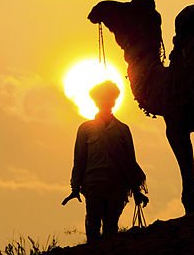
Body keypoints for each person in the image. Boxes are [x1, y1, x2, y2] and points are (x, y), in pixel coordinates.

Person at [62, 80, 149, 241]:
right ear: (95, 102)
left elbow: (130, 161)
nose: (106, 102)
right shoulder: (85, 129)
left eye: (109, 99)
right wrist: (75, 187)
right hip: (94, 183)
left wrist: (137, 191)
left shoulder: (123, 130)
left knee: (111, 227)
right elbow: (79, 160)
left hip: (117, 185)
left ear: (114, 101)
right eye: (102, 99)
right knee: (93, 225)